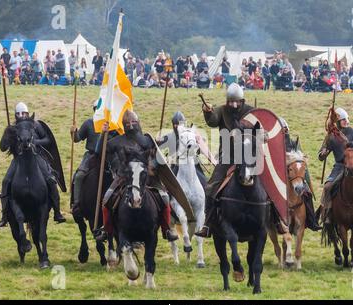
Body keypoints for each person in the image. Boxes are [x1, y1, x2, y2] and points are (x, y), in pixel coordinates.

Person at [94, 110, 179, 243]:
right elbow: (99, 151)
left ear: (138, 122)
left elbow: (155, 157)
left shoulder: (147, 140)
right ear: (123, 125)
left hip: (147, 178)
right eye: (128, 123)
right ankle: (107, 230)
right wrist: (103, 134)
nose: (131, 125)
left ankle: (166, 229)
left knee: (165, 198)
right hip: (124, 178)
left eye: (133, 122)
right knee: (106, 200)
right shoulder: (116, 141)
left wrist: (156, 147)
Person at [195, 83, 262, 238]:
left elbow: (260, 128)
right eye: (231, 101)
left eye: (236, 101)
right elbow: (212, 120)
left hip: (248, 156)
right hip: (228, 156)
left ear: (242, 101)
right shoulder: (221, 110)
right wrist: (207, 112)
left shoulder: (251, 111)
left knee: (267, 185)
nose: (233, 104)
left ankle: (276, 219)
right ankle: (207, 223)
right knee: (211, 186)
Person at [0, 103, 66, 227]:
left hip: (37, 158)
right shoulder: (13, 128)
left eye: (23, 113)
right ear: (15, 115)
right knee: (5, 181)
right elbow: (3, 148)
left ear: (28, 114)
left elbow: (48, 140)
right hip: (18, 160)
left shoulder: (36, 125)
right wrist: (7, 135)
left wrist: (35, 142)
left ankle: (57, 212)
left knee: (50, 180)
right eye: (19, 114)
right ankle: (4, 215)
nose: (21, 115)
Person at [279, 119, 321, 232]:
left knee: (307, 193)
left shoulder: (294, 143)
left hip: (295, 175)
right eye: (282, 129)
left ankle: (312, 221)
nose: (284, 131)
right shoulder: (274, 144)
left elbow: (300, 159)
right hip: (279, 177)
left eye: (286, 129)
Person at [70, 100, 102, 215]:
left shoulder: (110, 124)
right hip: (91, 156)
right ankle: (77, 203)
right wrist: (73, 132)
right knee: (79, 176)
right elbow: (77, 138)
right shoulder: (89, 123)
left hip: (106, 155)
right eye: (96, 109)